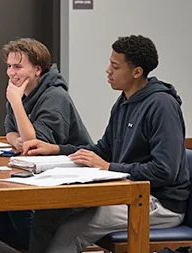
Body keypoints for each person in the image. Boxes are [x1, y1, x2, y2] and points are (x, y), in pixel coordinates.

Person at [22, 35, 190, 253]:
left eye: (115, 66)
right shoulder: (124, 101)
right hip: (127, 193)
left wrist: (109, 167)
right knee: (48, 215)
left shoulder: (162, 106)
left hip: (159, 204)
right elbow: (103, 150)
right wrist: (56, 150)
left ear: (137, 72)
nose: (107, 70)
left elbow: (164, 171)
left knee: (70, 232)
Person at [0, 38, 92, 252]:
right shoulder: (21, 92)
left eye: (17, 66)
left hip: (72, 177)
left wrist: (15, 103)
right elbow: (10, 132)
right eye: (9, 66)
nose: (11, 73)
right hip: (41, 173)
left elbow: (34, 148)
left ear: (37, 70)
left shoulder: (55, 96)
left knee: (13, 205)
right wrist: (17, 139)